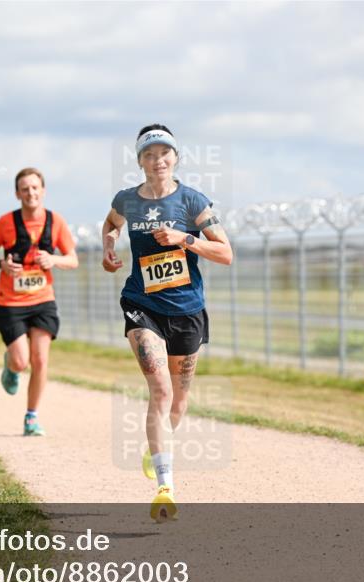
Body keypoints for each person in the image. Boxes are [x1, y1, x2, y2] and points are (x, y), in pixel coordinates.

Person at [101, 124, 233, 522]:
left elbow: (226, 253)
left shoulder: (193, 201)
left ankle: (156, 448)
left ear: (175, 158)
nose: (157, 160)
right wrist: (109, 249)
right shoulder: (126, 200)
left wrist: (184, 239)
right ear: (139, 161)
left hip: (187, 309)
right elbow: (110, 224)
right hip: (142, 305)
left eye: (164, 153)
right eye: (149, 154)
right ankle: (165, 486)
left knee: (178, 401)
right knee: (159, 391)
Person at [0, 167, 78, 436]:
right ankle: (11, 366)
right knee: (21, 361)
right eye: (24, 189)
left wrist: (53, 259)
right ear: (17, 194)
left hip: (42, 300)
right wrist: (1, 264)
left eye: (35, 188)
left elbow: (73, 259)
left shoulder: (56, 222)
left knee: (40, 359)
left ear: (43, 191)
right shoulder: (5, 222)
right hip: (10, 302)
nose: (30, 193)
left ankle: (31, 416)